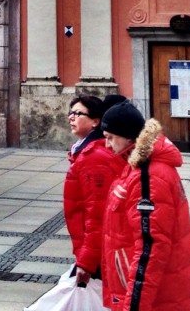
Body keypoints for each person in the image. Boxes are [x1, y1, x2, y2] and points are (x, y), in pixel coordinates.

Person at [100, 102, 190, 311]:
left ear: (128, 136)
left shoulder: (149, 176)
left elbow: (150, 250)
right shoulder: (138, 167)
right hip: (156, 294)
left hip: (158, 300)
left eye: (110, 137)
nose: (107, 145)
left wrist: (134, 306)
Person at [63, 93, 128, 286]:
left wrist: (86, 261)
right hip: (91, 245)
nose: (71, 117)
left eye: (78, 113)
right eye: (71, 112)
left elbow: (97, 214)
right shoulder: (82, 150)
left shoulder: (94, 156)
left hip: (95, 250)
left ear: (95, 122)